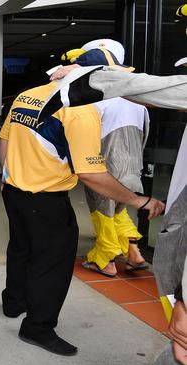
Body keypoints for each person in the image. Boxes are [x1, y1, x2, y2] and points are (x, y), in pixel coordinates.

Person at [0, 78, 165, 356]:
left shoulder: (27, 95)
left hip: (14, 191)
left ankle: (14, 303)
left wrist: (7, 176)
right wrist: (139, 200)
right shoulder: (79, 109)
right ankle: (37, 327)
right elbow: (90, 174)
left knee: (20, 247)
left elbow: (4, 138)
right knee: (52, 261)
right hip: (47, 198)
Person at [63, 42, 151, 277]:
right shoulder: (137, 100)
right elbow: (145, 136)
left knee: (102, 213)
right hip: (133, 168)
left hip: (106, 166)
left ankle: (106, 260)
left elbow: (87, 137)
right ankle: (134, 254)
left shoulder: (97, 98)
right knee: (120, 211)